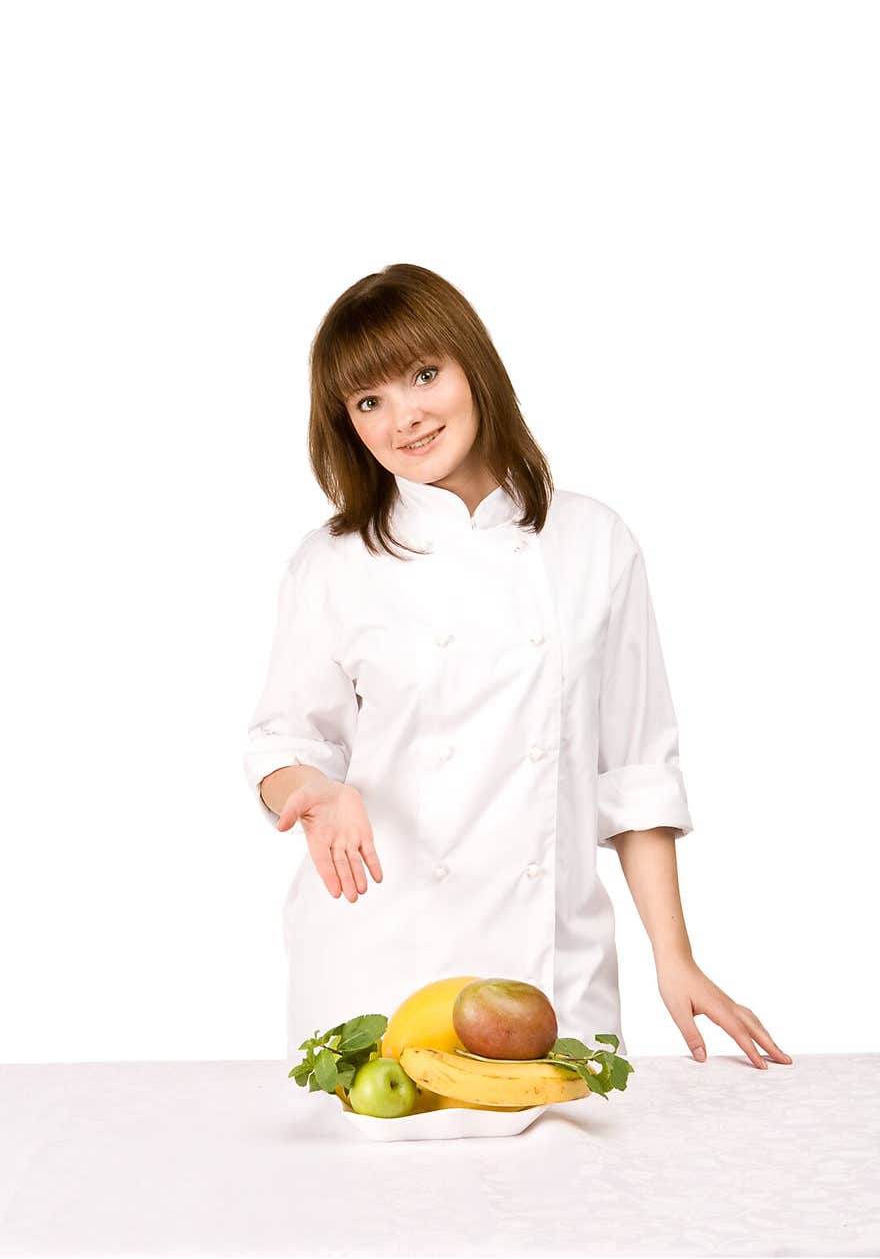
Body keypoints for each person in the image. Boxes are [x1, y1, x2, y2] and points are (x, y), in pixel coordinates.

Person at [243, 262, 791, 1071]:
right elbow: (281, 746)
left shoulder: (594, 542)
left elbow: (635, 769)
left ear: (475, 367)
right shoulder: (332, 562)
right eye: (369, 402)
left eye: (424, 375)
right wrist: (314, 791)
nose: (406, 417)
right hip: (374, 967)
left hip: (554, 973)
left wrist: (673, 960)